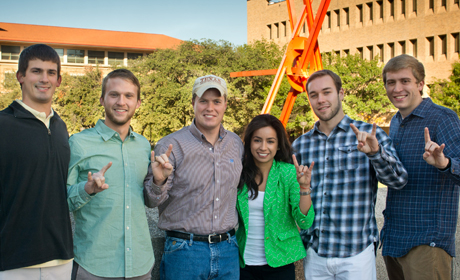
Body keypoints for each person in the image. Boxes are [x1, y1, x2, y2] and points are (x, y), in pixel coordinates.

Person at [292, 69, 408, 280]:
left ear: (341, 93)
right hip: (315, 252)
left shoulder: (369, 134)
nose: (321, 100)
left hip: (356, 252)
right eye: (314, 95)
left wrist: (375, 154)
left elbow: (398, 180)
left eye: (327, 92)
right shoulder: (301, 144)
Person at [144, 75, 243, 280]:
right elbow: (151, 201)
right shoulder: (171, 145)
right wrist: (159, 181)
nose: (210, 107)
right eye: (203, 101)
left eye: (216, 101)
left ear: (225, 104)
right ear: (193, 103)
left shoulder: (236, 144)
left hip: (228, 251)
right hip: (184, 252)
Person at [67, 69, 162, 279]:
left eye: (129, 96)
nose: (121, 102)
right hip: (95, 266)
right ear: (102, 99)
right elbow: (60, 200)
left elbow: (149, 200)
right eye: (114, 95)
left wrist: (159, 180)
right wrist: (87, 189)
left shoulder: (144, 145)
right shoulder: (78, 144)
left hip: (140, 264)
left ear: (138, 103)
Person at [381, 54, 460, 280]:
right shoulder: (395, 121)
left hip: (427, 242)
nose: (397, 88)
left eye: (405, 81)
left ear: (420, 84)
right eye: (391, 82)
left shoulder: (442, 118)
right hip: (394, 239)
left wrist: (444, 164)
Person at [0, 44, 74, 279]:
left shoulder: (61, 127)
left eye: (51, 73)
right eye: (36, 71)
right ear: (20, 76)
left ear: (59, 80)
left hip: (61, 258)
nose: (45, 79)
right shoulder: (3, 124)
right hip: (13, 261)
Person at [236, 114, 315, 280]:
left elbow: (304, 222)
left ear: (278, 145)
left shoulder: (288, 173)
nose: (263, 147)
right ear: (249, 142)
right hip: (242, 263)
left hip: (279, 264)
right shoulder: (239, 173)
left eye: (270, 141)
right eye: (257, 140)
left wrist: (304, 187)